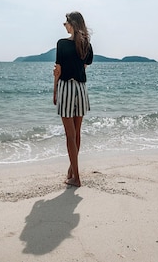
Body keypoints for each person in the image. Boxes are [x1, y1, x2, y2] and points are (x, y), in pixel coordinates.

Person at [53, 11, 93, 187]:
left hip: (66, 88)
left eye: (66, 23)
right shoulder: (87, 44)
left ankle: (76, 178)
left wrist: (54, 92)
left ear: (72, 24)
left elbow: (59, 71)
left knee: (69, 135)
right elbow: (83, 68)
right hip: (81, 89)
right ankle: (71, 171)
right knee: (76, 133)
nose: (65, 26)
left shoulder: (61, 44)